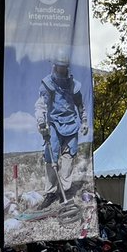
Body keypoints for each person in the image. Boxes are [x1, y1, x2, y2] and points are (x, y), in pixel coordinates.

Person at [34, 51, 89, 209]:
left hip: (71, 124)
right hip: (54, 124)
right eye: (58, 67)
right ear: (54, 66)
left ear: (67, 67)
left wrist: (84, 121)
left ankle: (65, 191)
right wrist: (41, 122)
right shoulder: (47, 84)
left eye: (63, 67)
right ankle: (50, 193)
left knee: (68, 158)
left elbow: (80, 106)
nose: (61, 70)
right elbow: (41, 105)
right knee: (51, 157)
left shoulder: (74, 85)